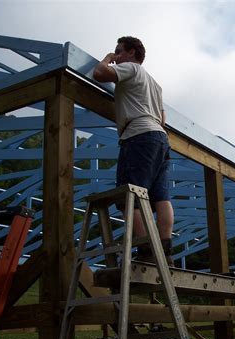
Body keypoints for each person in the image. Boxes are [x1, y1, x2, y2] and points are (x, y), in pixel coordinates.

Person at [93, 36, 173, 263]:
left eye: (119, 51)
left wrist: (108, 58)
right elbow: (163, 118)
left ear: (131, 53)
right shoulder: (155, 85)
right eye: (115, 53)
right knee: (161, 197)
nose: (116, 56)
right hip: (160, 137)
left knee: (129, 198)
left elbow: (99, 74)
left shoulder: (131, 69)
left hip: (138, 136)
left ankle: (146, 250)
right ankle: (165, 251)